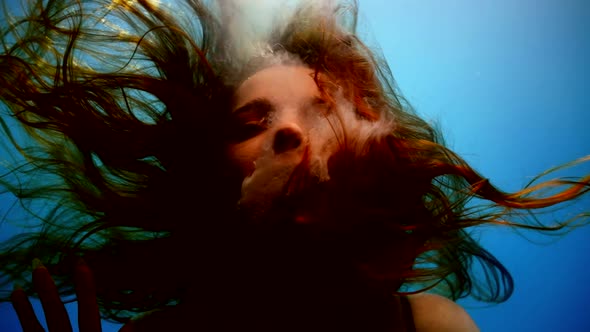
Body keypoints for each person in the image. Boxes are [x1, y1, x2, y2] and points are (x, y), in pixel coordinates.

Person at [0, 0, 588, 331]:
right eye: (251, 123)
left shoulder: (433, 324)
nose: (287, 130)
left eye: (322, 109)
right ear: (207, 178)